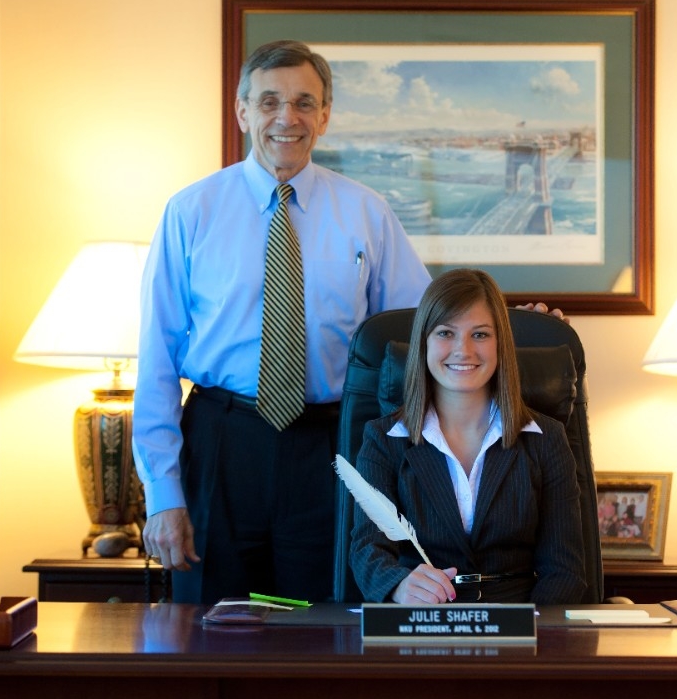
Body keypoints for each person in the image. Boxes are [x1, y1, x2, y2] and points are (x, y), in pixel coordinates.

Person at [132, 40, 431, 604]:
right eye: (268, 102)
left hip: (332, 445)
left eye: (302, 102)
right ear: (243, 111)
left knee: (328, 625)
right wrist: (163, 495)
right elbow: (157, 359)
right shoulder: (191, 212)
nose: (285, 118)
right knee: (208, 627)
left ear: (324, 115)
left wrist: (516, 326)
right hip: (222, 440)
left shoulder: (367, 212)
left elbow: (420, 330)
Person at [348, 268, 586, 605]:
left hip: (521, 625)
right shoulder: (383, 439)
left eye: (480, 335)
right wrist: (399, 586)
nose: (463, 350)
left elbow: (565, 572)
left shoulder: (546, 439)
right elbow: (367, 552)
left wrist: (529, 634)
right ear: (424, 343)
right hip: (423, 623)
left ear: (500, 343)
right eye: (446, 332)